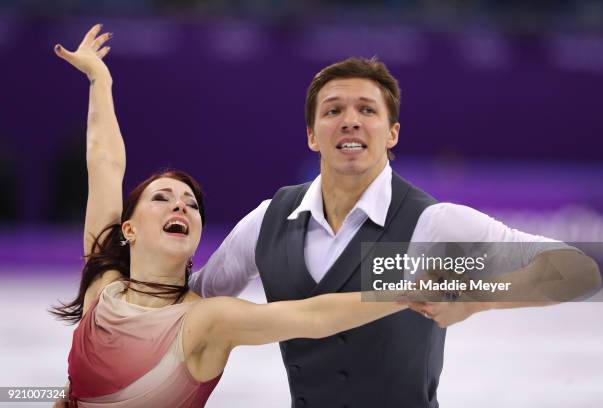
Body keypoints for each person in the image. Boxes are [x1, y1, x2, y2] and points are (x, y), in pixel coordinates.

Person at [189, 53, 601, 406]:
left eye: (367, 110)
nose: (350, 121)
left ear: (392, 133)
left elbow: (577, 271)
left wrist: (474, 298)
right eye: (333, 110)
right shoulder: (269, 221)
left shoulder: (432, 224)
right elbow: (193, 303)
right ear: (312, 136)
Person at [51, 24, 420, 408]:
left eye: (191, 204)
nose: (180, 206)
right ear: (129, 228)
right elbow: (105, 164)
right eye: (162, 198)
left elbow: (313, 316)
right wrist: (100, 79)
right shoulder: (102, 288)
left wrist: (410, 291)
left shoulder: (207, 320)